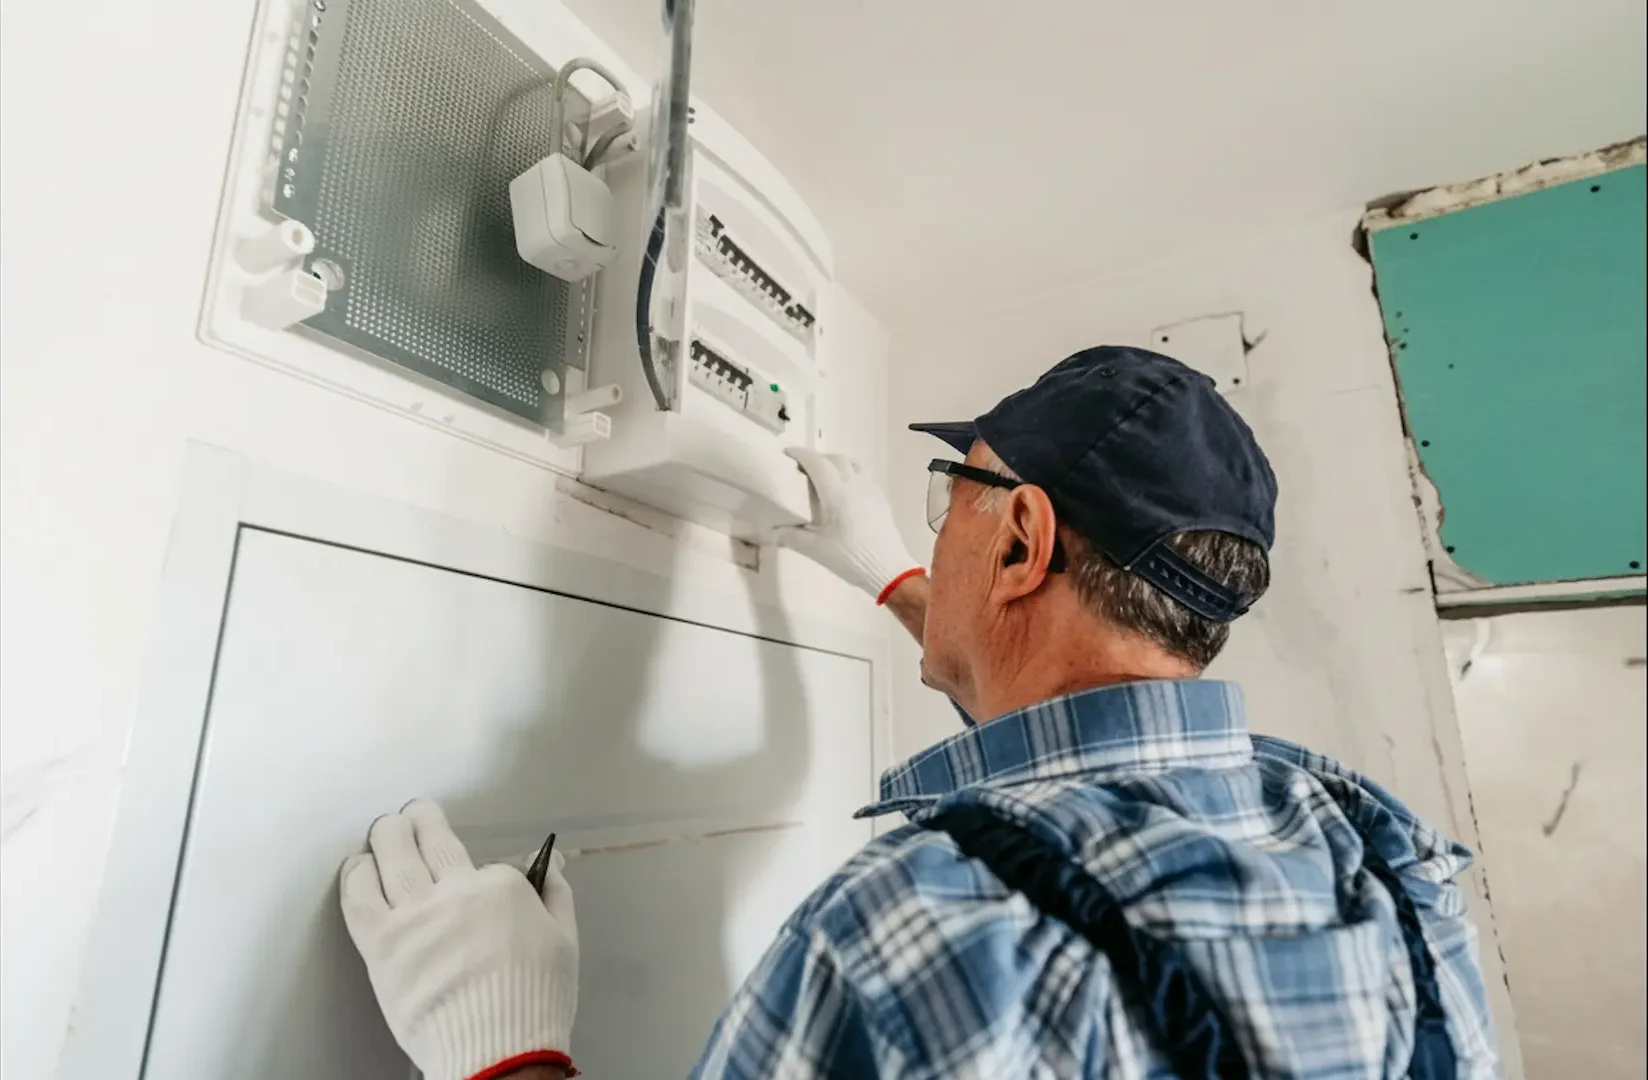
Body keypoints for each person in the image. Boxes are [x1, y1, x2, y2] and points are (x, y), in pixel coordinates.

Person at [340, 346, 1500, 1079]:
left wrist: (504, 1052)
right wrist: (905, 583)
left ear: (1022, 540)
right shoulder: (1376, 852)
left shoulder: (913, 926)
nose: (936, 527)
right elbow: (1065, 775)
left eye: (953, 498)